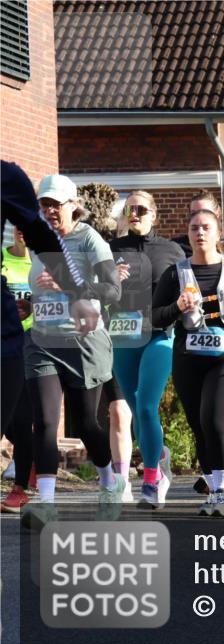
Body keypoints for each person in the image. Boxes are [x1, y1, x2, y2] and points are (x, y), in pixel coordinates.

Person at [19, 174, 124, 529]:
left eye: (55, 204)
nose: (48, 210)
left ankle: (109, 481)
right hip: (43, 340)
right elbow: (39, 292)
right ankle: (46, 502)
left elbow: (112, 291)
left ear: (73, 205)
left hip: (83, 340)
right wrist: (24, 305)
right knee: (46, 421)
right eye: (43, 204)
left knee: (84, 424)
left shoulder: (89, 240)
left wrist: (67, 285)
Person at [152, 209, 224, 517]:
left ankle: (223, 492)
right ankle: (212, 486)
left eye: (206, 227)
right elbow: (155, 316)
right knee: (199, 425)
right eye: (194, 228)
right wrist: (177, 306)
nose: (200, 233)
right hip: (189, 355)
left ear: (217, 233)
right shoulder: (175, 273)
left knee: (215, 419)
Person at [1, 162, 101, 435]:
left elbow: (42, 239)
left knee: (18, 420)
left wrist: (77, 294)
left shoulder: (6, 177)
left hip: (4, 332)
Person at [109, 190, 185, 508]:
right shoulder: (112, 250)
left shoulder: (171, 250)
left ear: (154, 214)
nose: (135, 214)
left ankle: (152, 478)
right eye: (130, 209)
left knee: (144, 404)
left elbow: (190, 290)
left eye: (141, 208)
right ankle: (159, 455)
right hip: (123, 336)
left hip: (159, 334)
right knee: (138, 414)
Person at [1, 230, 35, 513]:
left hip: (33, 343)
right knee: (9, 421)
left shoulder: (41, 262)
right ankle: (34, 455)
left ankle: (20, 487)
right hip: (4, 342)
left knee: (22, 418)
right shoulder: (2, 259)